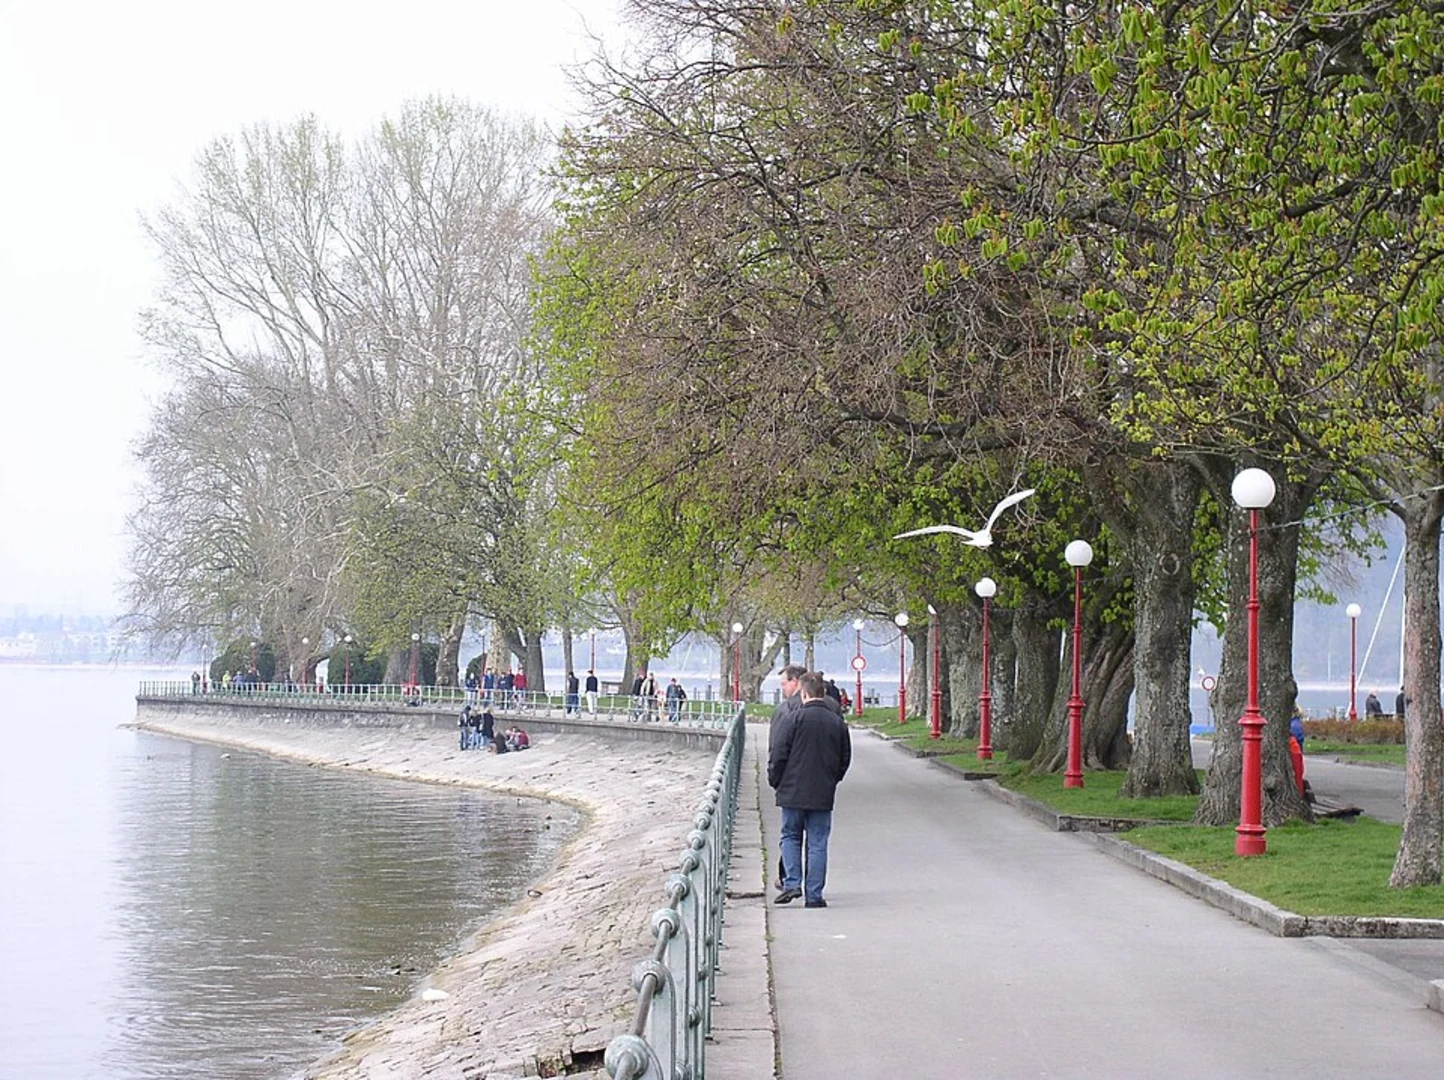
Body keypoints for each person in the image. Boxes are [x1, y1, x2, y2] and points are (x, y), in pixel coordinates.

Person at [769, 671, 851, 909]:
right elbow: (844, 758)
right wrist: (832, 779)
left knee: (791, 836)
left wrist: (776, 781)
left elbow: (778, 754)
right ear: (823, 694)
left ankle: (792, 882)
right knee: (817, 842)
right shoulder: (836, 723)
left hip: (792, 790)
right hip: (822, 791)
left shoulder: (792, 719)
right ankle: (814, 894)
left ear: (803, 693)